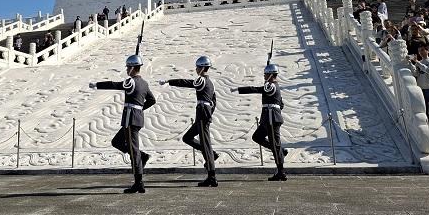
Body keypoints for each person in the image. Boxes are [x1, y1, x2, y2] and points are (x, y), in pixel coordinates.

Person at [89, 54, 156, 193]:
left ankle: (139, 182)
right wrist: (139, 109)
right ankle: (142, 157)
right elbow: (152, 100)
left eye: (127, 67)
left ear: (132, 68)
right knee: (117, 142)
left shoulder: (131, 82)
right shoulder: (144, 83)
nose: (126, 69)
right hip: (135, 118)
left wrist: (97, 85)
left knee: (133, 150)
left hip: (131, 119)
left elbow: (115, 84)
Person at [159, 55, 218, 187]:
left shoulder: (202, 80)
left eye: (197, 67)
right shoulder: (211, 83)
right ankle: (211, 155)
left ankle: (212, 176)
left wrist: (170, 81)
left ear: (202, 68)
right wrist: (210, 113)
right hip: (204, 114)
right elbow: (214, 101)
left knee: (205, 143)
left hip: (203, 114)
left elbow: (187, 83)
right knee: (188, 137)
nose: (196, 69)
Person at [231, 62, 287, 181]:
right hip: (268, 118)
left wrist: (240, 89)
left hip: (272, 119)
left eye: (266, 74)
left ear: (271, 75)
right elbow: (281, 104)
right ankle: (280, 151)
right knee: (257, 137)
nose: (264, 76)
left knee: (274, 144)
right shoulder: (274, 86)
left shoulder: (271, 86)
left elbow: (256, 89)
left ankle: (281, 172)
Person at [408, 44, 429, 116]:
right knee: (425, 109)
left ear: (428, 51)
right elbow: (416, 74)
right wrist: (410, 63)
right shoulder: (419, 62)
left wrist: (417, 62)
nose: (421, 52)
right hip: (421, 89)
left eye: (423, 50)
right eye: (419, 51)